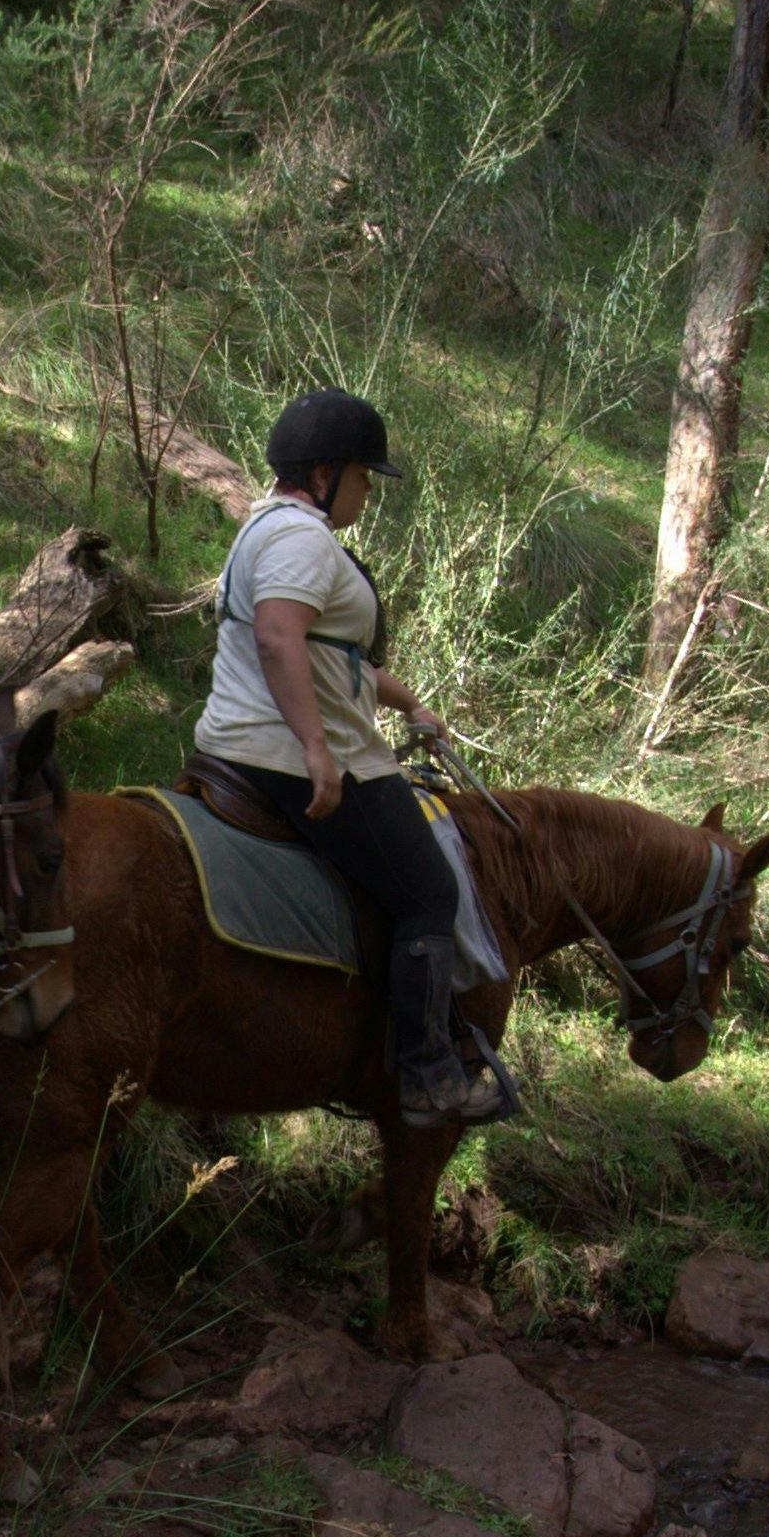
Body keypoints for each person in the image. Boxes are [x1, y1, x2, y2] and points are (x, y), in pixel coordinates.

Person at [193, 387, 517, 1124]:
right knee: (430, 895)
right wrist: (315, 747)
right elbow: (278, 637)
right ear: (324, 474)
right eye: (365, 477)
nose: (369, 491)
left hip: (243, 743)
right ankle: (426, 1075)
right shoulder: (303, 539)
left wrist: (409, 705)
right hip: (286, 754)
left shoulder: (266, 529)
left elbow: (332, 657)